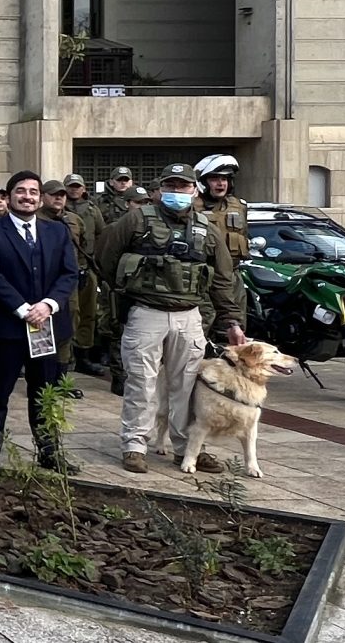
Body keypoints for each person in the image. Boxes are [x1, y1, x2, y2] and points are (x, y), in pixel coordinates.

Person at [95, 163, 242, 474]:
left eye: (184, 186)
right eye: (171, 186)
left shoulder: (206, 227)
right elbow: (107, 258)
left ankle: (186, 449)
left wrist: (231, 320)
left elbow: (222, 278)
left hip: (188, 317)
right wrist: (128, 293)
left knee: (187, 386)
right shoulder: (136, 219)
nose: (178, 192)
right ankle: (135, 445)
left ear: (194, 190)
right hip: (146, 313)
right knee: (141, 383)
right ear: (160, 189)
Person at [0, 172, 79, 470]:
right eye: (20, 191)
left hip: (46, 325)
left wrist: (48, 305)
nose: (28, 196)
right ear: (8, 197)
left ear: (41, 197)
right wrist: (22, 308)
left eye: (34, 191)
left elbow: (68, 273)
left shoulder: (56, 232)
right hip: (7, 327)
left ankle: (49, 452)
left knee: (43, 391)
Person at [49, 176, 106, 378]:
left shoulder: (79, 216)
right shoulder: (37, 218)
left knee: (82, 314)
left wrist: (85, 267)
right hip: (49, 279)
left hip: (78, 272)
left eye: (61, 195)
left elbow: (93, 241)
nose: (60, 198)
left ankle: (77, 359)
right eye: (54, 194)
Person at [194, 155, 251, 260]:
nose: (221, 184)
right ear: (203, 182)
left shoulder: (239, 206)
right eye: (214, 179)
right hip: (204, 272)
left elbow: (244, 236)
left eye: (224, 179)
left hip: (234, 271)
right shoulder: (191, 208)